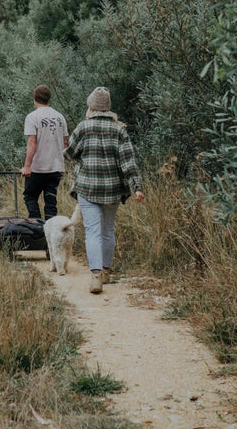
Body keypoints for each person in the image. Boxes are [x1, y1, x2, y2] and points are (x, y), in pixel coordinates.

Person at [64, 86, 145, 294]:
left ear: (91, 107)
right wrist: (136, 187)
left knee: (93, 231)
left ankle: (95, 276)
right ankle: (106, 272)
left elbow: (70, 153)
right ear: (108, 108)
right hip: (112, 189)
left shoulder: (84, 127)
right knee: (108, 230)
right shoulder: (119, 130)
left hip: (87, 187)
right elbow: (129, 162)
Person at [21, 84, 69, 220]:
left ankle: (37, 226)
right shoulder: (60, 117)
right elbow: (65, 143)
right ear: (49, 99)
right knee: (50, 202)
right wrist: (62, 164)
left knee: (30, 196)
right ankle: (50, 231)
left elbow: (32, 142)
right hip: (55, 167)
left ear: (34, 98)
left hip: (37, 168)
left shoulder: (32, 117)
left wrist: (27, 166)